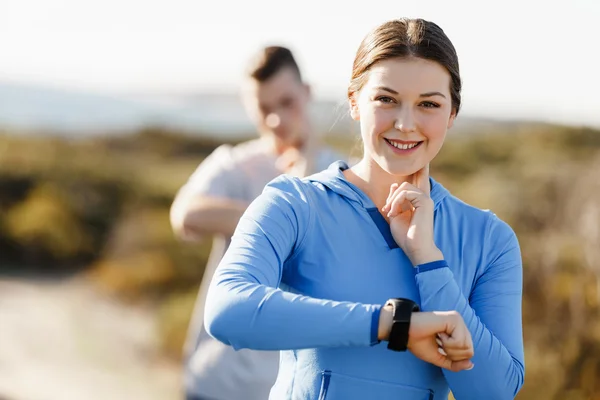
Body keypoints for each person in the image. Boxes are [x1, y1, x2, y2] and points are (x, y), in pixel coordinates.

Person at [203, 18, 525, 400]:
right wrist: (392, 324)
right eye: (386, 99)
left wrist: (429, 261)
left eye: (429, 104)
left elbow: (494, 391)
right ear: (355, 102)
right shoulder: (293, 204)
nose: (405, 124)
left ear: (452, 113)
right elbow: (228, 310)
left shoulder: (489, 239)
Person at [170, 46, 343, 400]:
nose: (276, 119)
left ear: (307, 93)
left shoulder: (343, 172)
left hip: (297, 387)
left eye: (287, 102)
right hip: (216, 381)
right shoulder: (234, 163)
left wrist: (307, 163)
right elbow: (185, 215)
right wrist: (273, 216)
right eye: (264, 109)